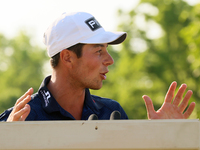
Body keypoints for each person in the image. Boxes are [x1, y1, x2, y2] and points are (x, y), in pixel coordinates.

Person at [0, 12, 196, 121]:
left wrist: (161, 139)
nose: (110, 60)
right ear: (67, 57)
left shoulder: (112, 112)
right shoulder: (17, 120)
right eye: (99, 51)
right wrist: (9, 142)